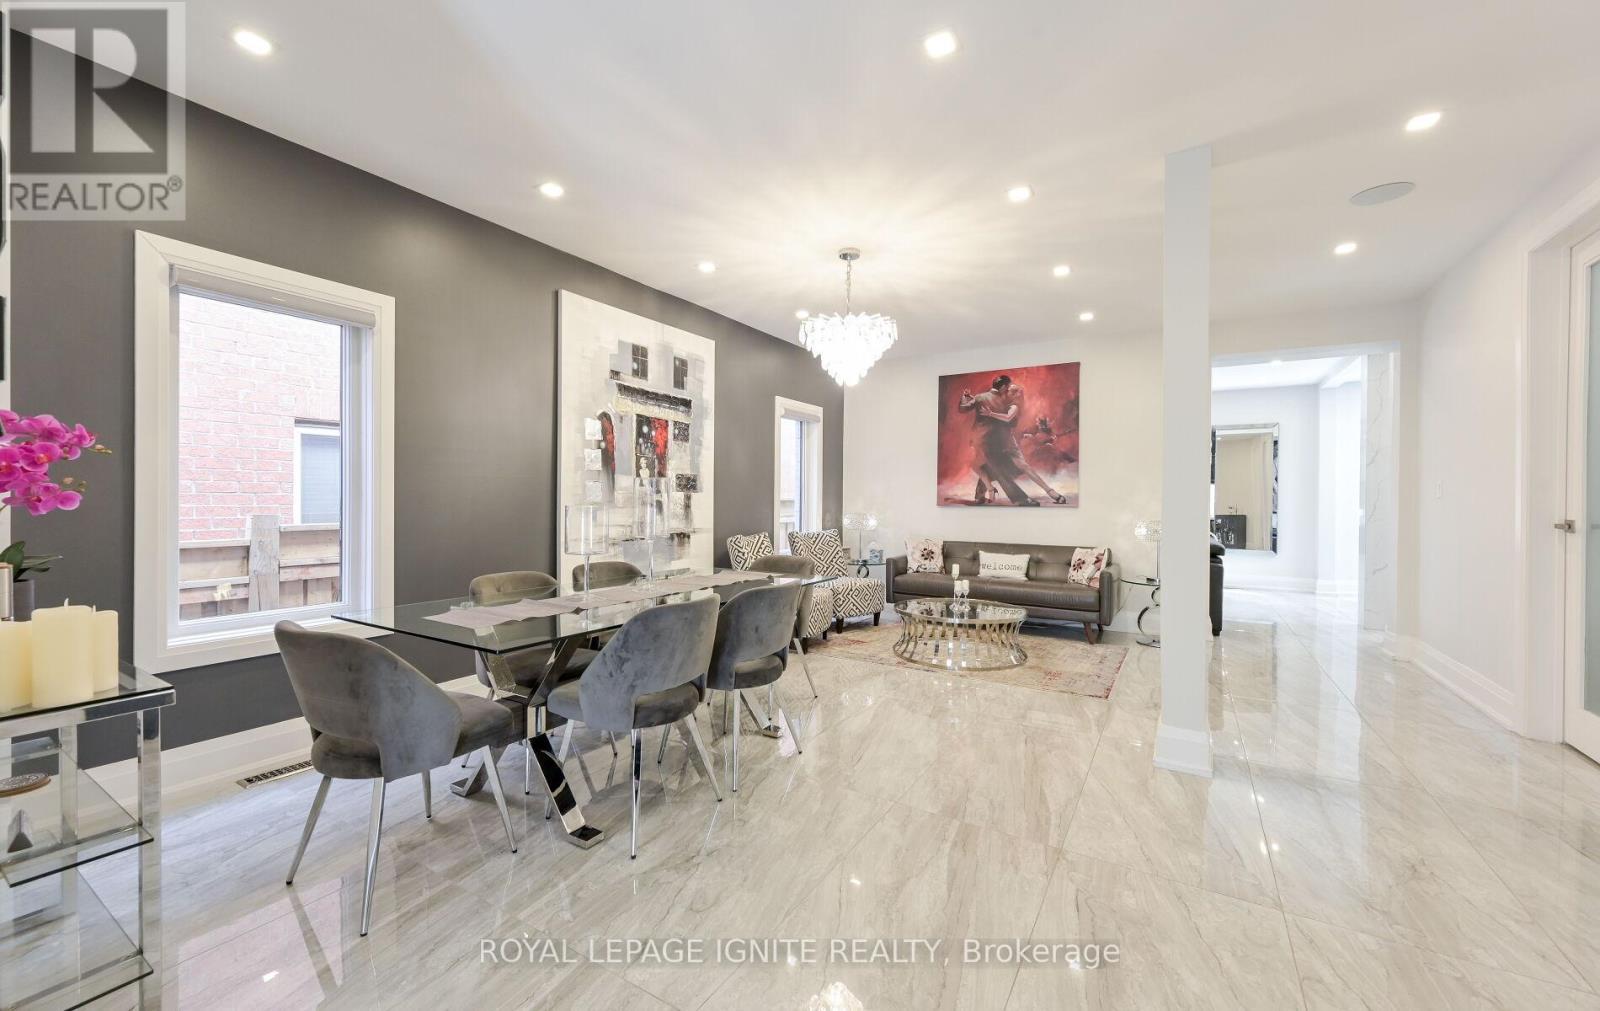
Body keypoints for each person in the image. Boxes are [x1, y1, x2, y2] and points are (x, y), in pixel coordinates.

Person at [971, 377, 1069, 505]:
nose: (1006, 392)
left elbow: (1007, 418)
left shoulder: (1014, 406)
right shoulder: (999, 403)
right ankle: (981, 493)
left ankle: (1051, 492)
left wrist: (990, 414)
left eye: (1010, 391)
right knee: (992, 467)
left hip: (1007, 442)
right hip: (997, 441)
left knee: (1022, 467)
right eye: (1007, 390)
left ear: (1014, 394)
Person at [958, 376, 1034, 505]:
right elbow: (1011, 421)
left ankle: (980, 495)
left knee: (987, 466)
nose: (1009, 389)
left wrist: (965, 397)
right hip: (994, 440)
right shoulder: (1005, 400)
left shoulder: (980, 397)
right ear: (1003, 387)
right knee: (998, 470)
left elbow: (963, 408)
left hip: (978, 438)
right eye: (1008, 387)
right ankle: (1020, 499)